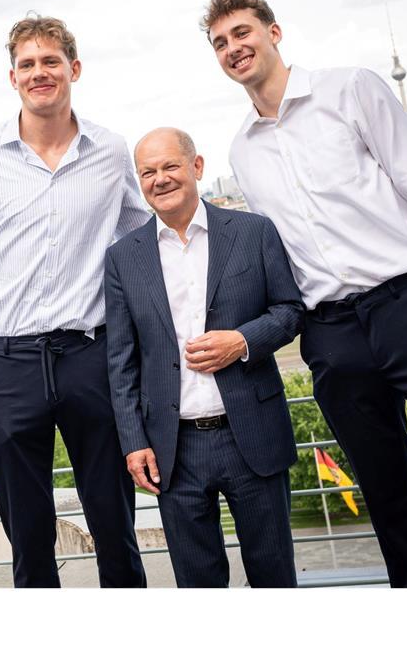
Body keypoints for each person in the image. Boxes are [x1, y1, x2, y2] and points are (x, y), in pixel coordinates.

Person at [202, 0, 407, 587]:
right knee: (387, 501)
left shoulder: (352, 90)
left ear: (274, 32)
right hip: (331, 335)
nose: (234, 48)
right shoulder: (243, 149)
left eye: (243, 33)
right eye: (220, 43)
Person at [0, 14, 148, 587]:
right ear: (13, 78)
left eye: (51, 61)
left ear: (73, 69)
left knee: (114, 521)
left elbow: (143, 235)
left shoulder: (110, 151)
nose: (40, 73)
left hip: (91, 357)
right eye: (27, 64)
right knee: (28, 535)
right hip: (6, 365)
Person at [104, 127, 304, 587]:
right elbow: (120, 360)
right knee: (198, 585)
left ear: (196, 167)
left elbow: (290, 311)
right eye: (148, 172)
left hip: (250, 433)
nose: (160, 179)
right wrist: (134, 441)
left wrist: (241, 341)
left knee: (275, 577)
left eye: (170, 166)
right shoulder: (122, 258)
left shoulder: (253, 232)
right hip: (174, 449)